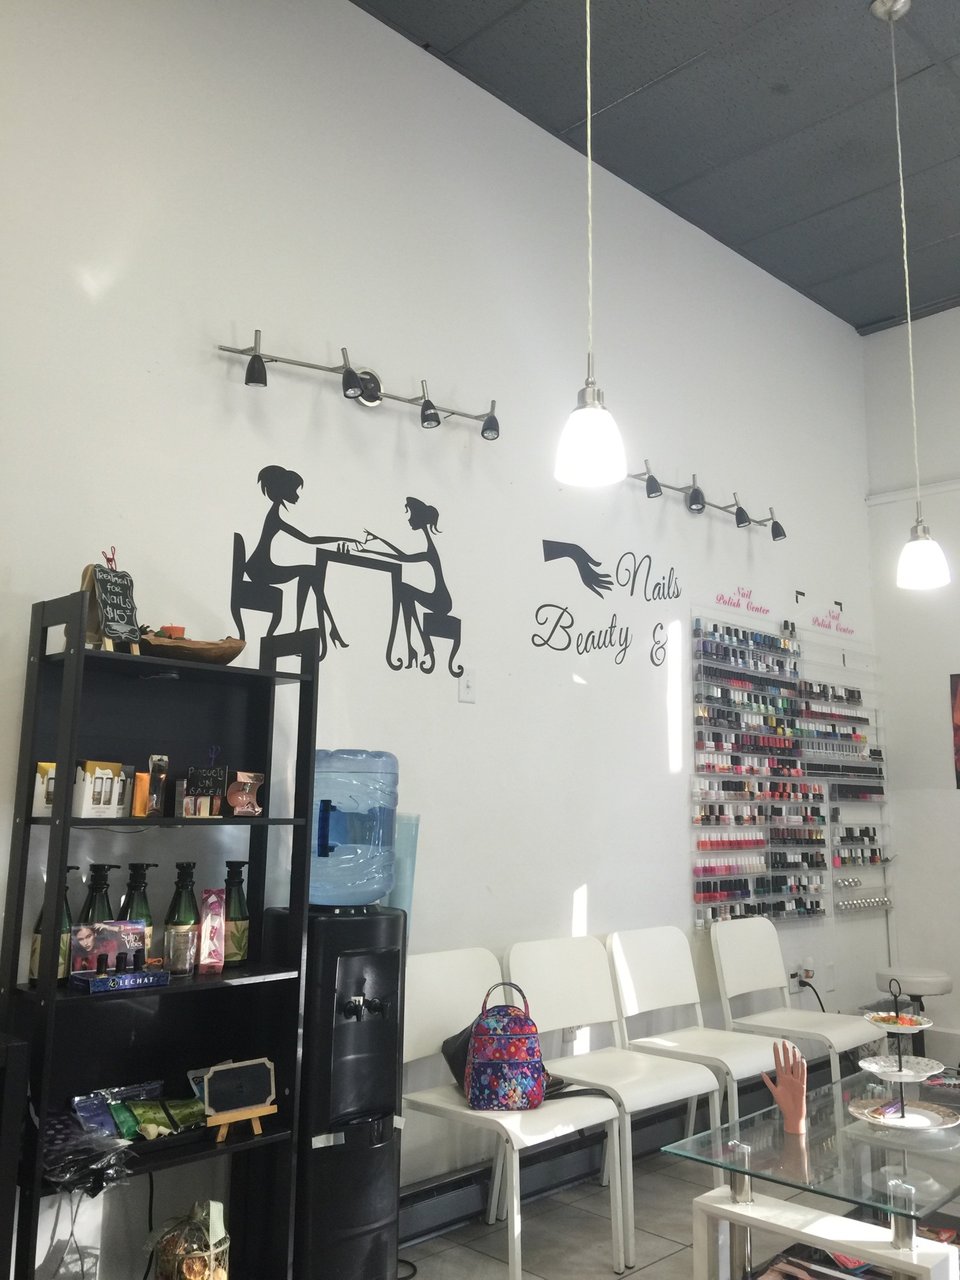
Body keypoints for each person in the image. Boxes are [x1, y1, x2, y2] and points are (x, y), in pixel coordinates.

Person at [245, 465, 359, 644]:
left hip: (261, 566)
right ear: (282, 489)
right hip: (260, 569)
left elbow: (307, 540)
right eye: (294, 490)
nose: (297, 495)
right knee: (310, 572)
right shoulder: (275, 515)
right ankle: (317, 629)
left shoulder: (276, 513)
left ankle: (321, 628)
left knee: (310, 572)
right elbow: (309, 539)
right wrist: (342, 539)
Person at [361, 497, 453, 668]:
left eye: (411, 515)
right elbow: (403, 556)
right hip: (439, 598)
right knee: (404, 591)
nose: (409, 519)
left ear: (420, 518)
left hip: (441, 602)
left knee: (403, 590)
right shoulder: (428, 544)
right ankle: (417, 646)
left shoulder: (429, 548)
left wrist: (370, 551)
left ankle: (419, 644)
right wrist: (379, 540)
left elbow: (403, 558)